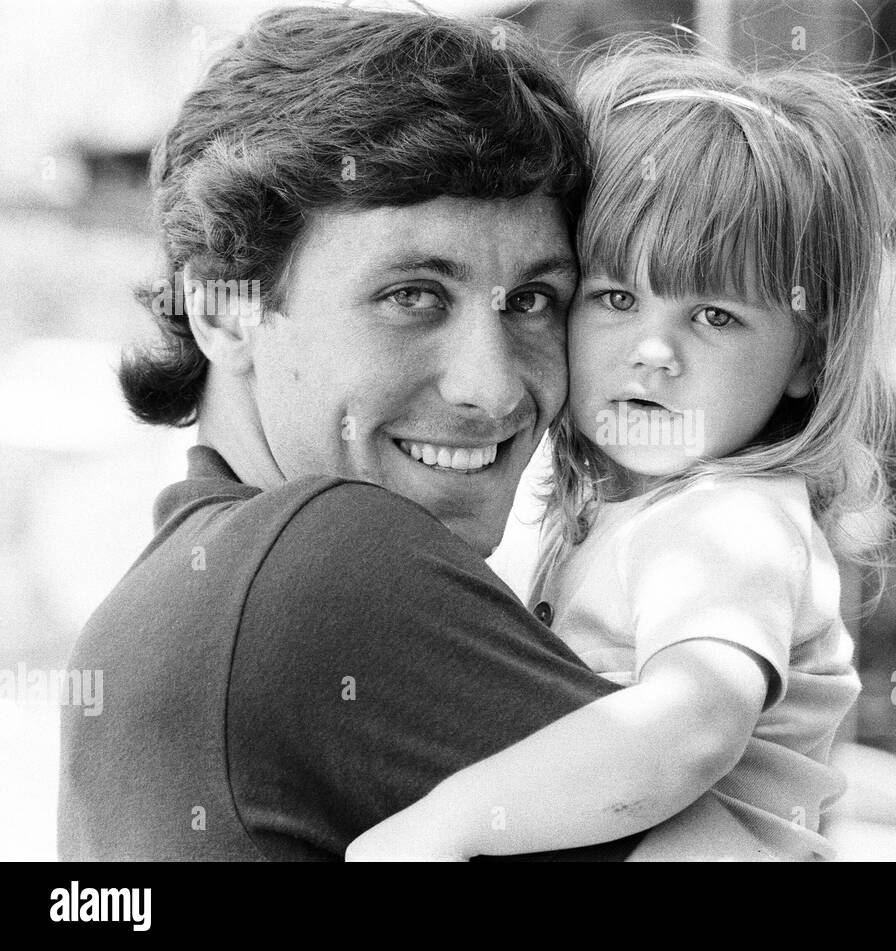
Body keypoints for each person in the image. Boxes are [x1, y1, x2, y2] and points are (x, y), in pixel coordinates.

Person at [58, 6, 763, 862]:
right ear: (223, 306)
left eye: (535, 300)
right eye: (413, 296)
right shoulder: (325, 564)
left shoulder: (147, 619)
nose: (493, 386)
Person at [346, 43, 896, 862]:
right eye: (615, 297)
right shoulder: (610, 519)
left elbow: (693, 724)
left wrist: (450, 820)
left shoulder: (731, 521)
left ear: (807, 360)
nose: (654, 350)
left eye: (713, 314)